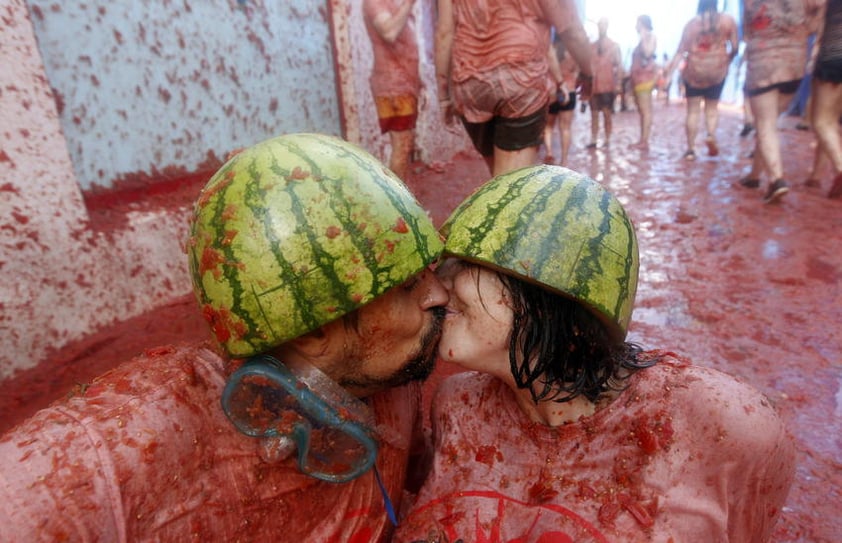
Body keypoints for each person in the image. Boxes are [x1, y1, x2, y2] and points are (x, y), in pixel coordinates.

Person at [0, 133, 450, 541]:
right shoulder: (128, 443)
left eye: (429, 271)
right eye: (408, 287)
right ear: (314, 330)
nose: (440, 293)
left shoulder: (393, 385)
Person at [393, 165, 797, 542]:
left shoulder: (720, 426)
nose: (438, 287)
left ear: (551, 287)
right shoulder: (457, 406)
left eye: (463, 262)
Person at [434, 0, 593, 177]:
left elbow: (444, 33)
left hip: (470, 85)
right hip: (521, 81)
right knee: (509, 190)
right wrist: (587, 73)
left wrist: (443, 97)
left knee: (498, 180)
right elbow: (572, 31)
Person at [738, 0, 823, 203]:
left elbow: (748, 33)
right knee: (769, 123)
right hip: (793, 66)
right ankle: (754, 175)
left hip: (763, 66)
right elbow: (814, 22)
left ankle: (777, 180)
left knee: (765, 125)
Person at [666, 0, 738, 161]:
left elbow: (680, 52)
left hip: (694, 71)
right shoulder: (727, 21)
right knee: (712, 108)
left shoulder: (691, 24)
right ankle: (711, 134)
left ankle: (690, 149)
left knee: (693, 111)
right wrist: (727, 60)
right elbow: (735, 47)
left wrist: (669, 74)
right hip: (717, 70)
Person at [363, 0, 421, 181]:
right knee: (402, 148)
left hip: (403, 85)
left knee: (404, 147)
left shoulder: (391, 4)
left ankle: (402, 202)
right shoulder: (374, 3)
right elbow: (389, 32)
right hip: (394, 86)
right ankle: (397, 207)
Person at [809, 0, 842, 198]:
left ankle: (839, 166)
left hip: (834, 54)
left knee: (821, 122)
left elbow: (813, 21)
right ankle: (816, 174)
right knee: (831, 120)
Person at [543, 29, 580, 166]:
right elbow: (577, 71)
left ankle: (549, 152)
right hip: (569, 91)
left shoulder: (551, 50)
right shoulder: (573, 53)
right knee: (565, 128)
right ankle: (564, 160)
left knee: (548, 126)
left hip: (553, 92)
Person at [587, 17, 624, 149]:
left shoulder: (613, 46)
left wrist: (619, 84)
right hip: (594, 86)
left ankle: (607, 139)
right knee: (594, 114)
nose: (602, 27)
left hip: (607, 86)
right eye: (600, 25)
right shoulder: (592, 47)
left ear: (607, 26)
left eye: (604, 25)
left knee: (607, 113)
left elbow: (619, 66)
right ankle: (594, 138)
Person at [629, 15, 658, 149]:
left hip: (644, 79)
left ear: (642, 24)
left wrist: (643, 34)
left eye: (637, 23)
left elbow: (647, 53)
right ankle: (642, 139)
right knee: (642, 110)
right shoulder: (645, 38)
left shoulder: (649, 37)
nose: (635, 26)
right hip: (638, 79)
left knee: (645, 110)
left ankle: (644, 141)